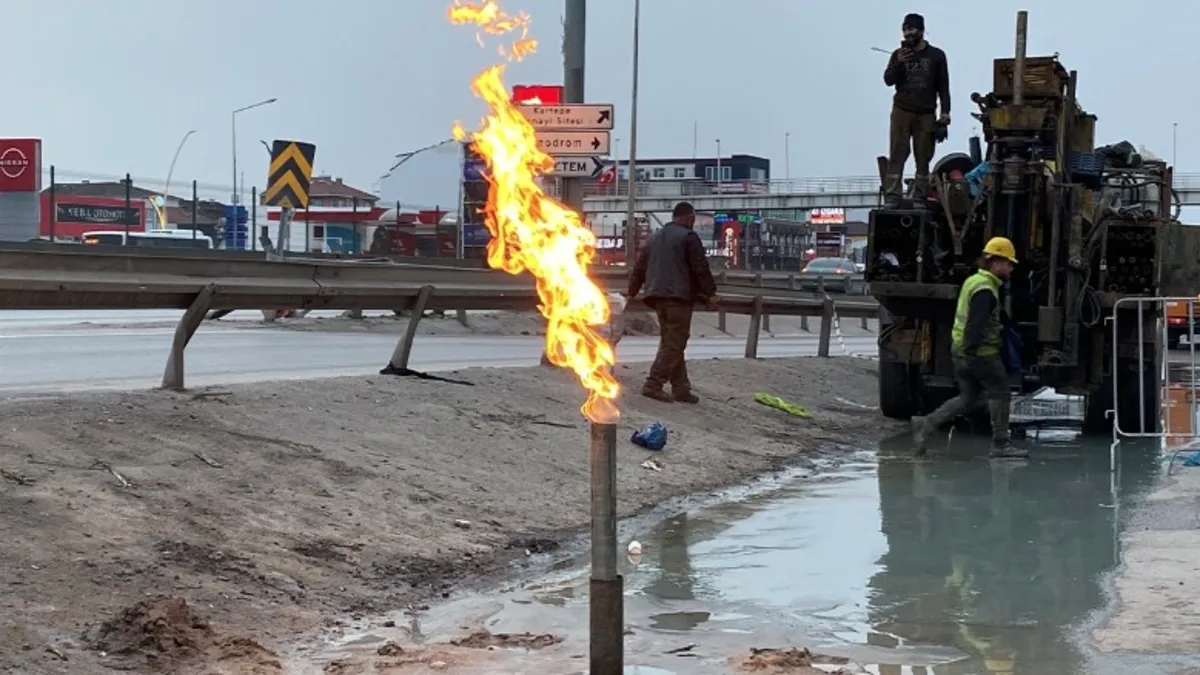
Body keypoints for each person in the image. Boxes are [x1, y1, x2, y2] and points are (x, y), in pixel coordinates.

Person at [912, 237, 1027, 458]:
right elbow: (976, 324)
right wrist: (973, 351)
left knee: (968, 397)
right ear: (995, 262)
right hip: (980, 352)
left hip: (960, 351)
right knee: (1001, 392)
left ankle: (925, 424)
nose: (1011, 268)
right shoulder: (985, 289)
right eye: (1008, 263)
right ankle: (1001, 445)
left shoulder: (974, 281)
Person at [625, 202, 718, 403]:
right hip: (678, 297)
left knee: (671, 342)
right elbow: (699, 268)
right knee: (675, 342)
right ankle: (653, 384)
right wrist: (710, 293)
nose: (693, 223)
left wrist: (631, 291)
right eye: (692, 219)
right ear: (687, 217)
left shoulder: (655, 237)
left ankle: (681, 388)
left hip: (656, 297)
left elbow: (640, 267)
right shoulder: (689, 237)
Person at [883, 13, 951, 207]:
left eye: (911, 29)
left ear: (921, 30)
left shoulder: (937, 55)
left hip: (926, 113)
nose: (907, 33)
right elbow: (888, 80)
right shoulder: (898, 54)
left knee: (923, 157)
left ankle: (920, 197)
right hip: (901, 110)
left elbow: (943, 86)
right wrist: (899, 63)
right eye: (905, 30)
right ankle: (893, 197)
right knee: (897, 153)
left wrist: (945, 113)